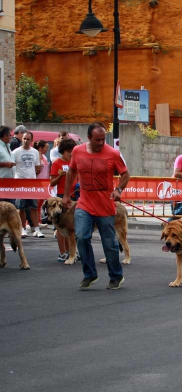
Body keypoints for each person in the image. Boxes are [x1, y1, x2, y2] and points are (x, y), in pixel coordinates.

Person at [62, 122, 130, 290]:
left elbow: (125, 174)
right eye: (97, 140)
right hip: (84, 203)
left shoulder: (113, 153)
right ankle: (90, 275)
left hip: (105, 206)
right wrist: (65, 195)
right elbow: (71, 171)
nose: (101, 143)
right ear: (89, 138)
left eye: (103, 139)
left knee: (109, 243)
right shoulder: (77, 152)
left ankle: (116, 276)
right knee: (82, 237)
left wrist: (118, 189)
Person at [50, 138, 78, 262]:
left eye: (72, 150)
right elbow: (52, 182)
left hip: (75, 195)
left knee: (72, 227)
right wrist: (60, 175)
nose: (70, 153)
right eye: (68, 151)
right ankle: (62, 252)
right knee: (61, 227)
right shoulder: (57, 163)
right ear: (62, 151)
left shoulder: (75, 162)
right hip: (62, 196)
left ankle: (72, 251)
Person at [12, 131, 44, 238]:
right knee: (21, 207)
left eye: (28, 139)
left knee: (33, 207)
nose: (26, 141)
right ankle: (23, 228)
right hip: (20, 181)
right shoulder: (16, 152)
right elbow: (12, 166)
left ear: (31, 140)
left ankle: (36, 229)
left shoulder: (35, 152)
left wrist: (37, 170)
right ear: (22, 139)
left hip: (31, 182)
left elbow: (37, 167)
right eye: (24, 139)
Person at [34, 140, 50, 228]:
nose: (47, 149)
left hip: (44, 182)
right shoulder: (37, 156)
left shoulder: (44, 156)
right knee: (35, 203)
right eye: (46, 147)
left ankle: (38, 221)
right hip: (37, 182)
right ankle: (31, 222)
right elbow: (37, 170)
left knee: (40, 203)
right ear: (40, 148)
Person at [0, 126, 16, 206]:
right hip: (1, 182)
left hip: (10, 182)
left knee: (10, 208)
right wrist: (5, 164)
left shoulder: (8, 147)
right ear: (5, 135)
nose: (11, 137)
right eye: (10, 135)